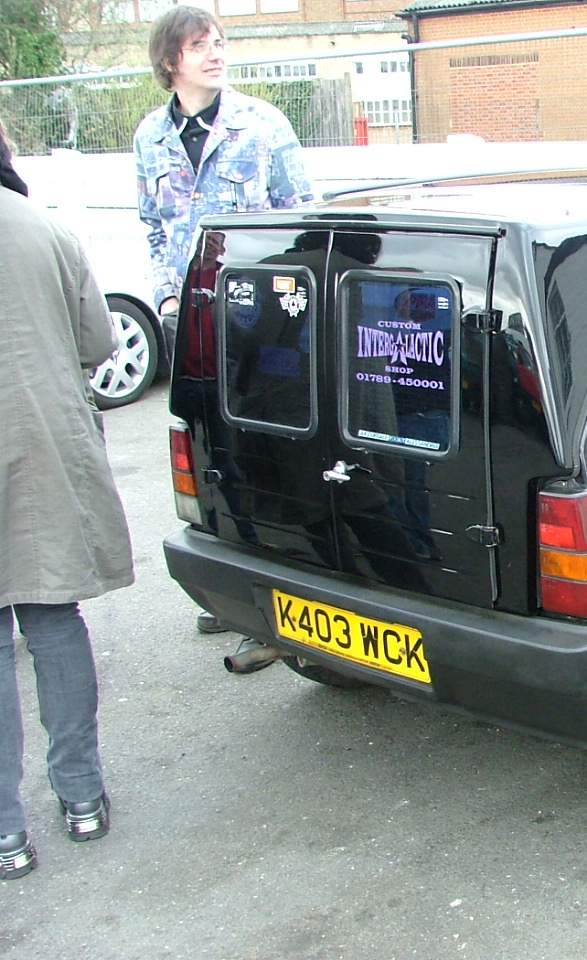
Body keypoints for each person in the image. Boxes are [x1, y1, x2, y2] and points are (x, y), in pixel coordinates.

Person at [134, 4, 313, 635]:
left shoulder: (262, 125)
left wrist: (288, 313)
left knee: (276, 445)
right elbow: (155, 229)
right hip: (197, 325)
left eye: (219, 41)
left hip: (264, 324)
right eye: (200, 45)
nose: (216, 52)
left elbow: (303, 219)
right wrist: (167, 300)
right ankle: (232, 585)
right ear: (170, 60)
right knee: (209, 447)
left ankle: (286, 585)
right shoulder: (150, 138)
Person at [0, 119, 134, 880]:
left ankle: (6, 834)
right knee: (53, 619)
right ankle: (82, 798)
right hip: (44, 446)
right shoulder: (45, 231)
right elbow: (95, 342)